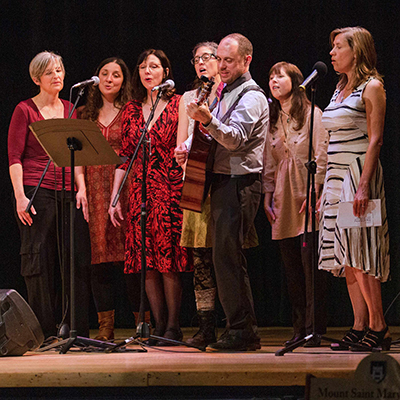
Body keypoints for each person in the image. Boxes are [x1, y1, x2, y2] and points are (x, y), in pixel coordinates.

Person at [176, 33, 269, 351]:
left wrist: (208, 119)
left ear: (247, 60)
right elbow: (209, 136)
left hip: (240, 183)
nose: (223, 65)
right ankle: (240, 329)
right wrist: (187, 146)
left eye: (229, 60)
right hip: (220, 180)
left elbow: (234, 139)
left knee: (228, 257)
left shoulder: (252, 96)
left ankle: (243, 330)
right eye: (221, 59)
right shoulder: (224, 93)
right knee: (223, 257)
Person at [109, 49, 190, 345]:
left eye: (154, 66)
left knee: (168, 260)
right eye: (142, 66)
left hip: (168, 187)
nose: (147, 71)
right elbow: (125, 156)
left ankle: (173, 324)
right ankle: (156, 323)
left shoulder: (179, 103)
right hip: (139, 191)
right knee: (147, 262)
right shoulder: (131, 109)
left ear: (165, 72)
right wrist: (115, 197)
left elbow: (183, 147)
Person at [8, 51, 91, 339]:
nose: (57, 76)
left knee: (74, 257)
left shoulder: (71, 108)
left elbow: (78, 154)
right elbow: (14, 156)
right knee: (39, 258)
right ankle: (42, 329)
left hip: (67, 188)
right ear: (36, 79)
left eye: (59, 70)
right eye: (50, 72)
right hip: (35, 188)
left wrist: (81, 187)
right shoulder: (24, 110)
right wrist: (20, 196)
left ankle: (75, 327)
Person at [319, 27, 390, 351]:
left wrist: (363, 186)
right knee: (344, 256)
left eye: (338, 47)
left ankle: (378, 325)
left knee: (361, 252)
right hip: (335, 177)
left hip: (357, 175)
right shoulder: (339, 89)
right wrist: (323, 188)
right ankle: (359, 324)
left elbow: (375, 139)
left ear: (356, 51)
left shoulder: (371, 87)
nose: (332, 53)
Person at [78, 57, 149, 341]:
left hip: (126, 184)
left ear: (124, 80)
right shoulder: (84, 113)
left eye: (116, 75)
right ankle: (105, 328)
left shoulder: (132, 111)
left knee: (131, 257)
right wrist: (80, 188)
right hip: (94, 187)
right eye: (104, 73)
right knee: (101, 258)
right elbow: (77, 157)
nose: (109, 79)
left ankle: (142, 325)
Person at [263, 62, 329, 348]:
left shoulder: (313, 115)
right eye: (271, 77)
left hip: (307, 193)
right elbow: (268, 160)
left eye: (280, 75)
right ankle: (298, 326)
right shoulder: (273, 119)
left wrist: (316, 191)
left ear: (295, 80)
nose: (274, 81)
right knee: (291, 267)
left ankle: (315, 327)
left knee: (310, 266)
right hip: (283, 195)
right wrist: (267, 196)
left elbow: (323, 154)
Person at [175, 41, 223, 348]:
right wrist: (181, 156)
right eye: (196, 59)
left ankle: (237, 324)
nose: (201, 63)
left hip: (221, 178)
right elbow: (183, 140)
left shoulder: (229, 91)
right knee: (200, 257)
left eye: (207, 57)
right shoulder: (189, 97)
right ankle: (205, 326)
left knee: (226, 256)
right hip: (194, 180)